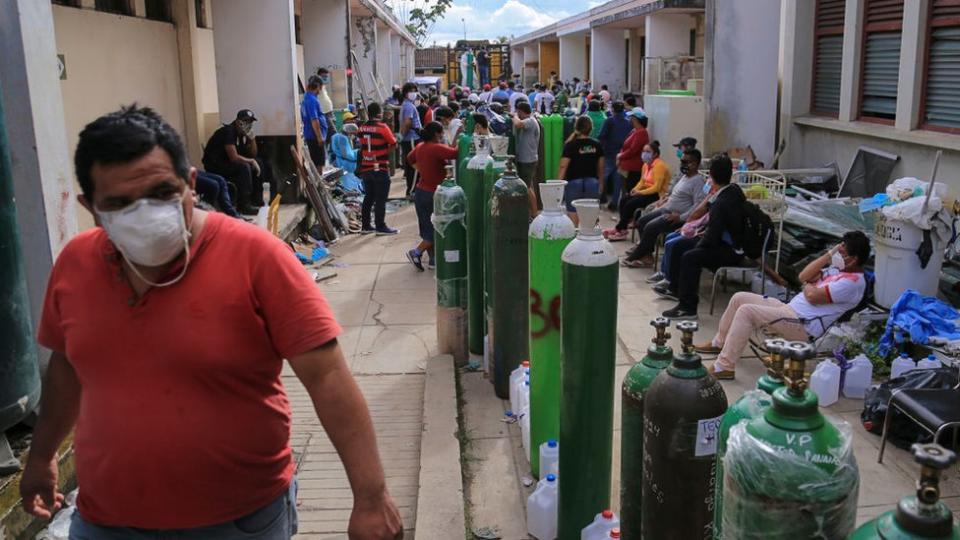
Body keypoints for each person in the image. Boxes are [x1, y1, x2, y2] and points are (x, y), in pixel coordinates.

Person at [20, 105, 403, 539]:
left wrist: (371, 497)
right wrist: (42, 456)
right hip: (105, 519)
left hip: (235, 521)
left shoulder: (256, 258)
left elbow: (328, 376)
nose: (145, 215)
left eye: (162, 193)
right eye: (120, 205)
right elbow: (67, 367)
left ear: (190, 182)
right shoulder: (75, 264)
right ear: (91, 207)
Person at [696, 231, 871, 379]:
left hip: (802, 325)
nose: (838, 255)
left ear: (853, 259)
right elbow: (803, 276)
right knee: (739, 298)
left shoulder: (852, 283)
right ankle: (719, 343)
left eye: (842, 253)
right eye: (838, 251)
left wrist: (808, 285)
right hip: (789, 311)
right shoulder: (838, 270)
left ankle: (725, 366)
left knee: (746, 311)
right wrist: (829, 255)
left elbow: (811, 296)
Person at [660, 154, 747, 320]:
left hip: (731, 250)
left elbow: (712, 237)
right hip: (723, 242)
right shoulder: (731, 191)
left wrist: (697, 244)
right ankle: (675, 289)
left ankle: (688, 308)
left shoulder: (722, 202)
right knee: (680, 245)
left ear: (711, 176)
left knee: (690, 257)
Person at [622, 149, 706, 267]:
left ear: (696, 163)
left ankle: (637, 255)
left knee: (650, 227)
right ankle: (646, 255)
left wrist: (681, 217)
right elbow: (675, 194)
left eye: (687, 162)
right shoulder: (684, 177)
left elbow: (698, 205)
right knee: (641, 221)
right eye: (682, 161)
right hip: (666, 208)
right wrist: (663, 201)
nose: (683, 165)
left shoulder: (698, 181)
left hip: (676, 216)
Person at [405, 122, 458, 271]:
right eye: (442, 133)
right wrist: (460, 137)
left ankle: (433, 260)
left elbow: (409, 158)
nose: (443, 136)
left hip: (421, 192)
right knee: (438, 228)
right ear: (436, 134)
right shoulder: (436, 148)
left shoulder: (420, 146)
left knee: (428, 226)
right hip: (432, 194)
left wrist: (422, 170)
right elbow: (455, 153)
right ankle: (416, 252)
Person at [202, 109, 272, 216]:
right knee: (244, 167)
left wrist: (252, 139)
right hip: (215, 165)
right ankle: (244, 204)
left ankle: (257, 198)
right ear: (238, 122)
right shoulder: (229, 132)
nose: (248, 124)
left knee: (259, 162)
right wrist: (251, 161)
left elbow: (253, 154)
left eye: (250, 122)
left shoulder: (241, 134)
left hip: (227, 163)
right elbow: (234, 157)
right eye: (246, 121)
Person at [606, 140, 669, 241]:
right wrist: (635, 189)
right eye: (644, 151)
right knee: (624, 200)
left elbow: (657, 187)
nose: (644, 154)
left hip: (657, 194)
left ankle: (620, 228)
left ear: (655, 154)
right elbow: (642, 181)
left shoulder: (659, 166)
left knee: (630, 204)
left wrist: (640, 192)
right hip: (646, 192)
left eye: (648, 152)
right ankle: (623, 228)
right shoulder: (645, 165)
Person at [357, 102, 399, 235]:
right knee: (381, 197)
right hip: (380, 166)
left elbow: (361, 145)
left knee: (368, 196)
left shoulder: (362, 128)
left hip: (366, 167)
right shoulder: (383, 127)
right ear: (379, 113)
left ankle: (366, 225)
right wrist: (385, 153)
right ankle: (380, 226)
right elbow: (393, 143)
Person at [557, 116, 604, 226]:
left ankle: (575, 241)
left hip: (574, 183)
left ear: (576, 127)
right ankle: (592, 241)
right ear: (591, 129)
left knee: (573, 222)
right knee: (592, 220)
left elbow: (563, 166)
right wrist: (601, 184)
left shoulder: (570, 145)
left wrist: (558, 185)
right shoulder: (597, 144)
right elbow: (601, 167)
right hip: (592, 183)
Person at [598, 101, 633, 210]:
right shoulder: (628, 123)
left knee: (602, 177)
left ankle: (598, 198)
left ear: (613, 109)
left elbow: (601, 136)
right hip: (622, 155)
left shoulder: (609, 121)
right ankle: (614, 203)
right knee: (617, 179)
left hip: (609, 153)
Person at [511, 101, 542, 216]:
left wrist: (513, 116)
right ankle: (532, 212)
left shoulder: (531, 121)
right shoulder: (528, 121)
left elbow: (518, 124)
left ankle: (534, 213)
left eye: (518, 112)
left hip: (528, 160)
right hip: (526, 159)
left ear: (521, 112)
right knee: (529, 186)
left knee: (526, 187)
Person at [615, 107, 650, 194]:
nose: (630, 120)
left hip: (633, 169)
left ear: (635, 119)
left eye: (631, 118)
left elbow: (632, 150)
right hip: (627, 167)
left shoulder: (641, 133)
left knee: (629, 190)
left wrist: (620, 156)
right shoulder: (635, 131)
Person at [300, 75, 329, 169]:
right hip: (314, 137)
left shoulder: (307, 98)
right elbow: (314, 119)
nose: (320, 91)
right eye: (320, 88)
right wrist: (319, 137)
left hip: (311, 135)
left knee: (316, 163)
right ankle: (318, 183)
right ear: (317, 87)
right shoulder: (312, 100)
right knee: (318, 164)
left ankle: (317, 181)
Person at [399, 82, 422, 198]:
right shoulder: (408, 106)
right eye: (411, 91)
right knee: (414, 166)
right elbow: (407, 122)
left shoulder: (406, 105)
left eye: (415, 90)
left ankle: (411, 190)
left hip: (409, 138)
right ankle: (413, 190)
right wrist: (403, 134)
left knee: (410, 165)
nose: (414, 93)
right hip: (412, 138)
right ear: (406, 93)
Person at [316, 67, 337, 132]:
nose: (325, 78)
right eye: (324, 76)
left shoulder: (323, 86)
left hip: (329, 112)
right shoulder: (317, 85)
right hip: (324, 113)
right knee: (332, 132)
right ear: (319, 76)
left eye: (326, 76)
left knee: (331, 132)